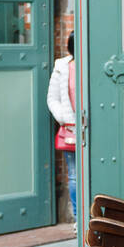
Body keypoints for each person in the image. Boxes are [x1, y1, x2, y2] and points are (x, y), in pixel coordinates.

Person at [47, 32, 77, 222]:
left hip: (94, 129)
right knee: (74, 176)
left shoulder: (93, 65)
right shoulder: (62, 67)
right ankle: (78, 218)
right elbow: (52, 98)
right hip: (71, 130)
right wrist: (64, 119)